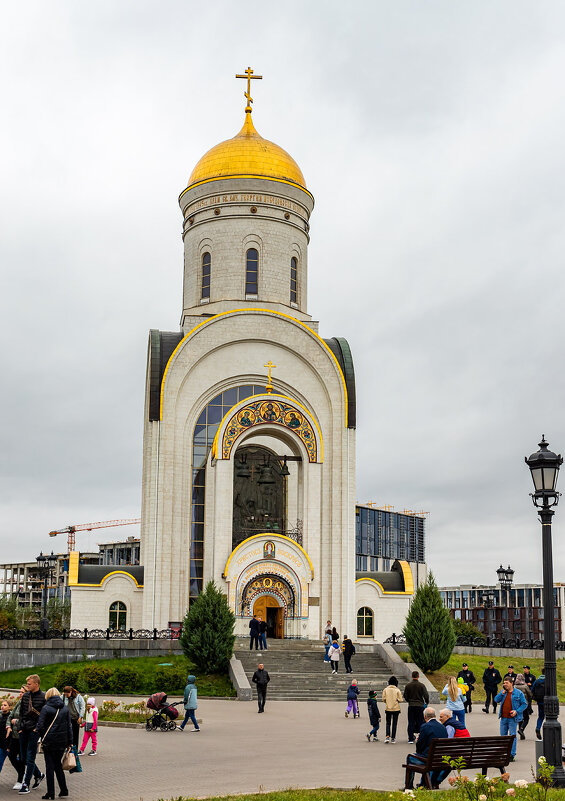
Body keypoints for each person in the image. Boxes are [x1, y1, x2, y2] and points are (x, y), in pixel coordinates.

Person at [35, 687, 72, 800]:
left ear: (48, 696)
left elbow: (40, 725)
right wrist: (70, 742)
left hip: (49, 742)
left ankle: (50, 793)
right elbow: (69, 726)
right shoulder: (65, 709)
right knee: (58, 766)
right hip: (62, 742)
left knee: (49, 767)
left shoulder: (46, 708)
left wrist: (41, 735)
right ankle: (64, 789)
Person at [404, 708, 448, 790]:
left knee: (410, 757)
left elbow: (420, 745)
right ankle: (429, 783)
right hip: (440, 758)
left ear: (425, 717)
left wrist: (418, 748)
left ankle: (409, 786)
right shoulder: (443, 727)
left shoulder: (425, 726)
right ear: (435, 716)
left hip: (429, 759)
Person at [18, 674, 45, 794]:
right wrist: (20, 727)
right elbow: (21, 713)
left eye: (29, 684)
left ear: (36, 684)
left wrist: (37, 729)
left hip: (34, 731)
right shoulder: (25, 696)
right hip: (23, 730)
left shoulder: (44, 697)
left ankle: (26, 784)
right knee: (23, 758)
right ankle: (38, 775)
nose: (27, 686)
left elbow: (44, 716)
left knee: (30, 758)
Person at [431, 708, 470, 787]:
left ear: (447, 716)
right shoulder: (456, 723)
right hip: (466, 751)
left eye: (441, 717)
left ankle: (433, 782)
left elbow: (448, 741)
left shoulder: (449, 725)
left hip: (459, 753)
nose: (439, 719)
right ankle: (435, 782)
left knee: (440, 760)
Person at [494, 676, 527, 760]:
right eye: (504, 683)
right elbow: (496, 700)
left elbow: (524, 704)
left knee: (512, 736)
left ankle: (511, 755)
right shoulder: (503, 692)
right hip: (503, 718)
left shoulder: (518, 693)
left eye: (506, 683)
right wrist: (501, 693)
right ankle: (504, 753)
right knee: (503, 737)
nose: (505, 685)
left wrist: (516, 711)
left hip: (512, 719)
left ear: (511, 683)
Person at [403, 670, 429, 743]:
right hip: (420, 705)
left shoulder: (408, 685)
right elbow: (426, 695)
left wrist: (409, 701)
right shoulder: (421, 685)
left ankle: (410, 738)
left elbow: (405, 695)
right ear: (418, 676)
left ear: (412, 676)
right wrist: (426, 702)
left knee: (411, 722)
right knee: (420, 722)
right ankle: (420, 737)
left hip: (411, 705)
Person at [62, 686, 84, 773]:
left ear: (71, 691)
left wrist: (80, 717)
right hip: (66, 719)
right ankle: (67, 748)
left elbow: (82, 706)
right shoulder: (63, 697)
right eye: (65, 693)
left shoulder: (78, 697)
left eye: (67, 693)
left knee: (75, 734)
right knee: (66, 734)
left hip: (75, 718)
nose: (66, 695)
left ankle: (74, 750)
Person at [9, 689, 25, 790]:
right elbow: (10, 716)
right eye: (20, 692)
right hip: (14, 735)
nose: (20, 694)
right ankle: (38, 775)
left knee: (24, 759)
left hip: (23, 735)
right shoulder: (19, 702)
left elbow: (29, 719)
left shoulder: (28, 704)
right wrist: (8, 726)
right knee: (12, 756)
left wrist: (17, 721)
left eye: (22, 692)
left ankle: (20, 779)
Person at [382, 676, 403, 743]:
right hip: (396, 708)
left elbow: (383, 699)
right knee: (394, 723)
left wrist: (387, 702)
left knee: (388, 723)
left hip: (388, 708)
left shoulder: (385, 689)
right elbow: (401, 700)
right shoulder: (397, 690)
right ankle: (393, 738)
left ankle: (387, 736)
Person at [515, 673, 532, 740]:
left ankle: (521, 733)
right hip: (524, 704)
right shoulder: (525, 686)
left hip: (517, 705)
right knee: (526, 718)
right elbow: (530, 694)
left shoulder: (515, 686)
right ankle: (521, 729)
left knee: (520, 719)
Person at [531, 669, 545, 740]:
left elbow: (532, 690)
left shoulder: (537, 681)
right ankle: (547, 732)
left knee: (540, 716)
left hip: (539, 701)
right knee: (549, 717)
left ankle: (538, 727)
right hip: (547, 701)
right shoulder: (548, 681)